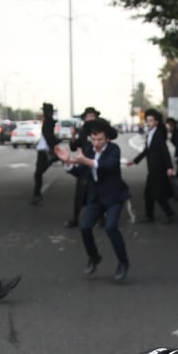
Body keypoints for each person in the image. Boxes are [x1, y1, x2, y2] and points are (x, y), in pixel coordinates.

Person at [65, 119, 133, 283]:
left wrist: (84, 160)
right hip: (95, 196)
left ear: (107, 139)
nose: (96, 143)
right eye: (93, 139)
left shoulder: (114, 150)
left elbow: (106, 166)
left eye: (99, 140)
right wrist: (68, 163)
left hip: (114, 196)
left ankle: (123, 263)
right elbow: (81, 170)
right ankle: (94, 257)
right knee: (84, 226)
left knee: (111, 228)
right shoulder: (89, 149)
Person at [128, 108, 176, 223]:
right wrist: (134, 161)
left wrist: (169, 167)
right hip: (153, 169)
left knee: (158, 194)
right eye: (147, 120)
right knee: (149, 194)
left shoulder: (158, 135)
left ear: (156, 122)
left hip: (159, 169)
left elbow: (165, 151)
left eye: (150, 121)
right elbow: (146, 151)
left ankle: (170, 213)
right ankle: (150, 216)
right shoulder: (150, 134)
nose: (148, 123)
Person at [65, 106, 102, 228]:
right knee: (80, 193)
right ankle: (75, 218)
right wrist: (73, 136)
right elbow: (74, 147)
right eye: (88, 117)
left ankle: (102, 218)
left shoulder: (101, 130)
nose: (90, 119)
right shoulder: (82, 131)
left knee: (99, 191)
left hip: (96, 162)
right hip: (83, 163)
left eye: (92, 117)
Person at [31, 102, 59, 205]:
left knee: (38, 173)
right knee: (38, 173)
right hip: (43, 149)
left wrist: (52, 150)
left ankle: (37, 194)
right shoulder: (49, 121)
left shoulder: (48, 122)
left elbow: (48, 136)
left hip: (44, 150)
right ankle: (36, 194)